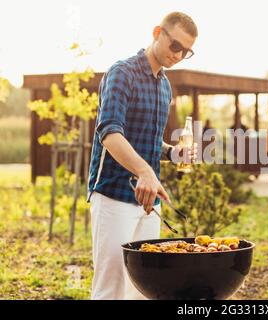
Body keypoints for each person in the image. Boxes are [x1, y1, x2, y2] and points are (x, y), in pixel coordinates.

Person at [87, 12, 198, 300]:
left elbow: (148, 142)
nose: (179, 55)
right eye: (176, 46)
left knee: (144, 289)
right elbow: (110, 133)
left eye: (187, 52)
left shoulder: (164, 86)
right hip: (113, 195)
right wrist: (145, 172)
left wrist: (173, 153)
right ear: (157, 32)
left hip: (149, 203)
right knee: (110, 289)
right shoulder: (122, 73)